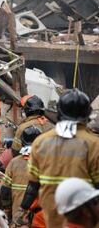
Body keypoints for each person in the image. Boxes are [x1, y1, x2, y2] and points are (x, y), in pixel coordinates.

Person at [15, 89, 99, 228]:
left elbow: (33, 185)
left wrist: (22, 210)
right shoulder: (94, 144)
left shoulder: (40, 142)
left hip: (47, 220)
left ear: (59, 113)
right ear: (87, 115)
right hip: (81, 221)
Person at [0, 126, 45, 227]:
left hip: (18, 217)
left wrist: (7, 212)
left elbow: (5, 191)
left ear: (22, 142)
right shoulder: (47, 163)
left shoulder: (14, 163)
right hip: (40, 218)